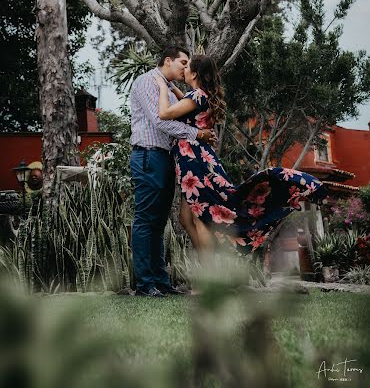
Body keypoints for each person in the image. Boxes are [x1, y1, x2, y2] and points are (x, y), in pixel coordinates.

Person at [155, 54, 327, 255]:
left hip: (195, 162)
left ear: (195, 73)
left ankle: (210, 274)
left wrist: (161, 87)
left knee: (200, 217)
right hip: (195, 159)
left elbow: (165, 113)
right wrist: (171, 87)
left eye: (187, 66)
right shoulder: (199, 95)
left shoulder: (197, 96)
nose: (183, 69)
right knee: (185, 218)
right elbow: (185, 101)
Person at [130, 46, 216, 297]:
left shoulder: (168, 87)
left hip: (166, 158)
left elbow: (183, 115)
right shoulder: (148, 81)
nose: (185, 67)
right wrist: (197, 134)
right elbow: (161, 121)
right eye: (182, 62)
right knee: (146, 220)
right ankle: (145, 284)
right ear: (168, 60)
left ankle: (161, 281)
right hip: (148, 155)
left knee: (158, 222)